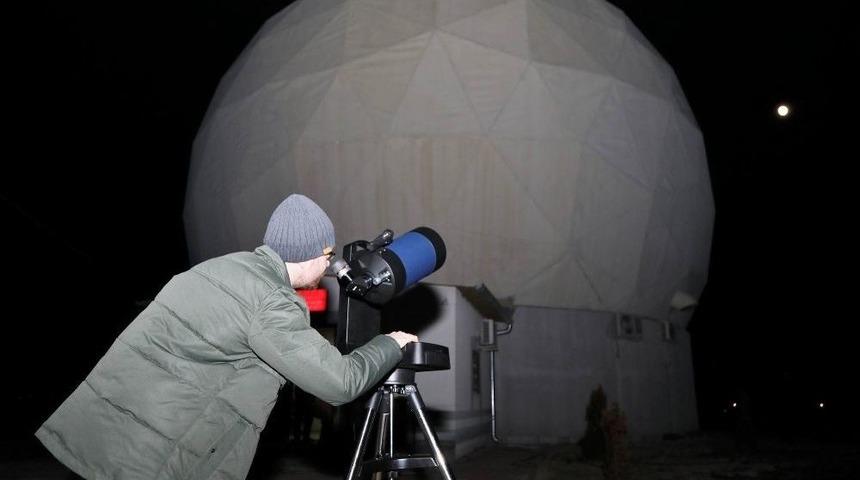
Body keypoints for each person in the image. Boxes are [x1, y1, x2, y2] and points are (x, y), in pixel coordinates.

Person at [36, 194, 416, 480]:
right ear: (310, 253)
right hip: (158, 451)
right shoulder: (271, 300)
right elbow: (339, 382)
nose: (329, 265)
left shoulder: (217, 268)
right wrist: (390, 343)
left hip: (114, 430)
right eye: (327, 254)